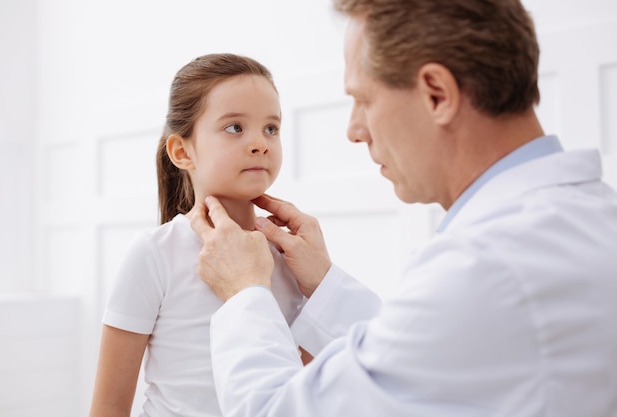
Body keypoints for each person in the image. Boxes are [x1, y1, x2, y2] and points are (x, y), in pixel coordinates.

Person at [189, 1, 617, 416]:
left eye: (364, 100)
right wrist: (326, 285)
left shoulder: (484, 267)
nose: (354, 131)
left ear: (436, 94)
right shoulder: (583, 218)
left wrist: (245, 291)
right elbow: (439, 357)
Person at [88, 53, 307, 417]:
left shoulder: (293, 254)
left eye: (271, 128)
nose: (261, 143)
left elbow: (308, 383)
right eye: (235, 127)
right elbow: (109, 405)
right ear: (181, 151)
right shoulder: (154, 254)